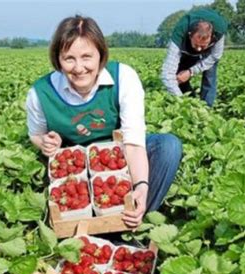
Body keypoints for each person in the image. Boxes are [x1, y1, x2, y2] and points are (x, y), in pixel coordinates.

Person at [26, 15, 182, 227]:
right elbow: (36, 135)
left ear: (101, 54)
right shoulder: (40, 92)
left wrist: (142, 186)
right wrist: (45, 142)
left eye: (87, 56)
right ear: (58, 60)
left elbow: (134, 142)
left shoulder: (124, 77)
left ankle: (132, 217)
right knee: (74, 196)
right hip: (74, 162)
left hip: (117, 155)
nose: (79, 67)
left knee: (168, 146)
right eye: (69, 58)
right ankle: (85, 224)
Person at [161, 8, 228, 107]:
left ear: (211, 37)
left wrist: (191, 71)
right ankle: (189, 99)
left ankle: (207, 107)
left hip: (210, 53)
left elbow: (215, 56)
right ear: (190, 35)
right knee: (179, 75)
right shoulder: (180, 33)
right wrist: (182, 102)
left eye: (203, 45)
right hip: (187, 50)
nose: (200, 49)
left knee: (210, 76)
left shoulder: (219, 29)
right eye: (196, 44)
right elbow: (167, 74)